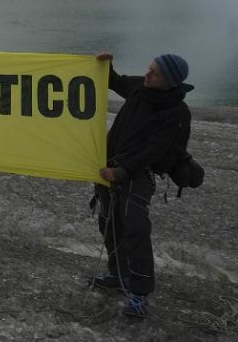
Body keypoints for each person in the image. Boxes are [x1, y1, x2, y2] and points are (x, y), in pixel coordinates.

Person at [91, 52, 193, 317]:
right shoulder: (140, 87)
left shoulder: (176, 112)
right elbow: (113, 81)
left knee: (135, 228)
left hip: (136, 175)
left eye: (154, 73)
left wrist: (122, 172)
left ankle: (139, 293)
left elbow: (155, 151)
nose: (147, 74)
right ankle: (119, 274)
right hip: (110, 168)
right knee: (109, 222)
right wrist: (105, 64)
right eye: (149, 68)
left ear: (170, 81)